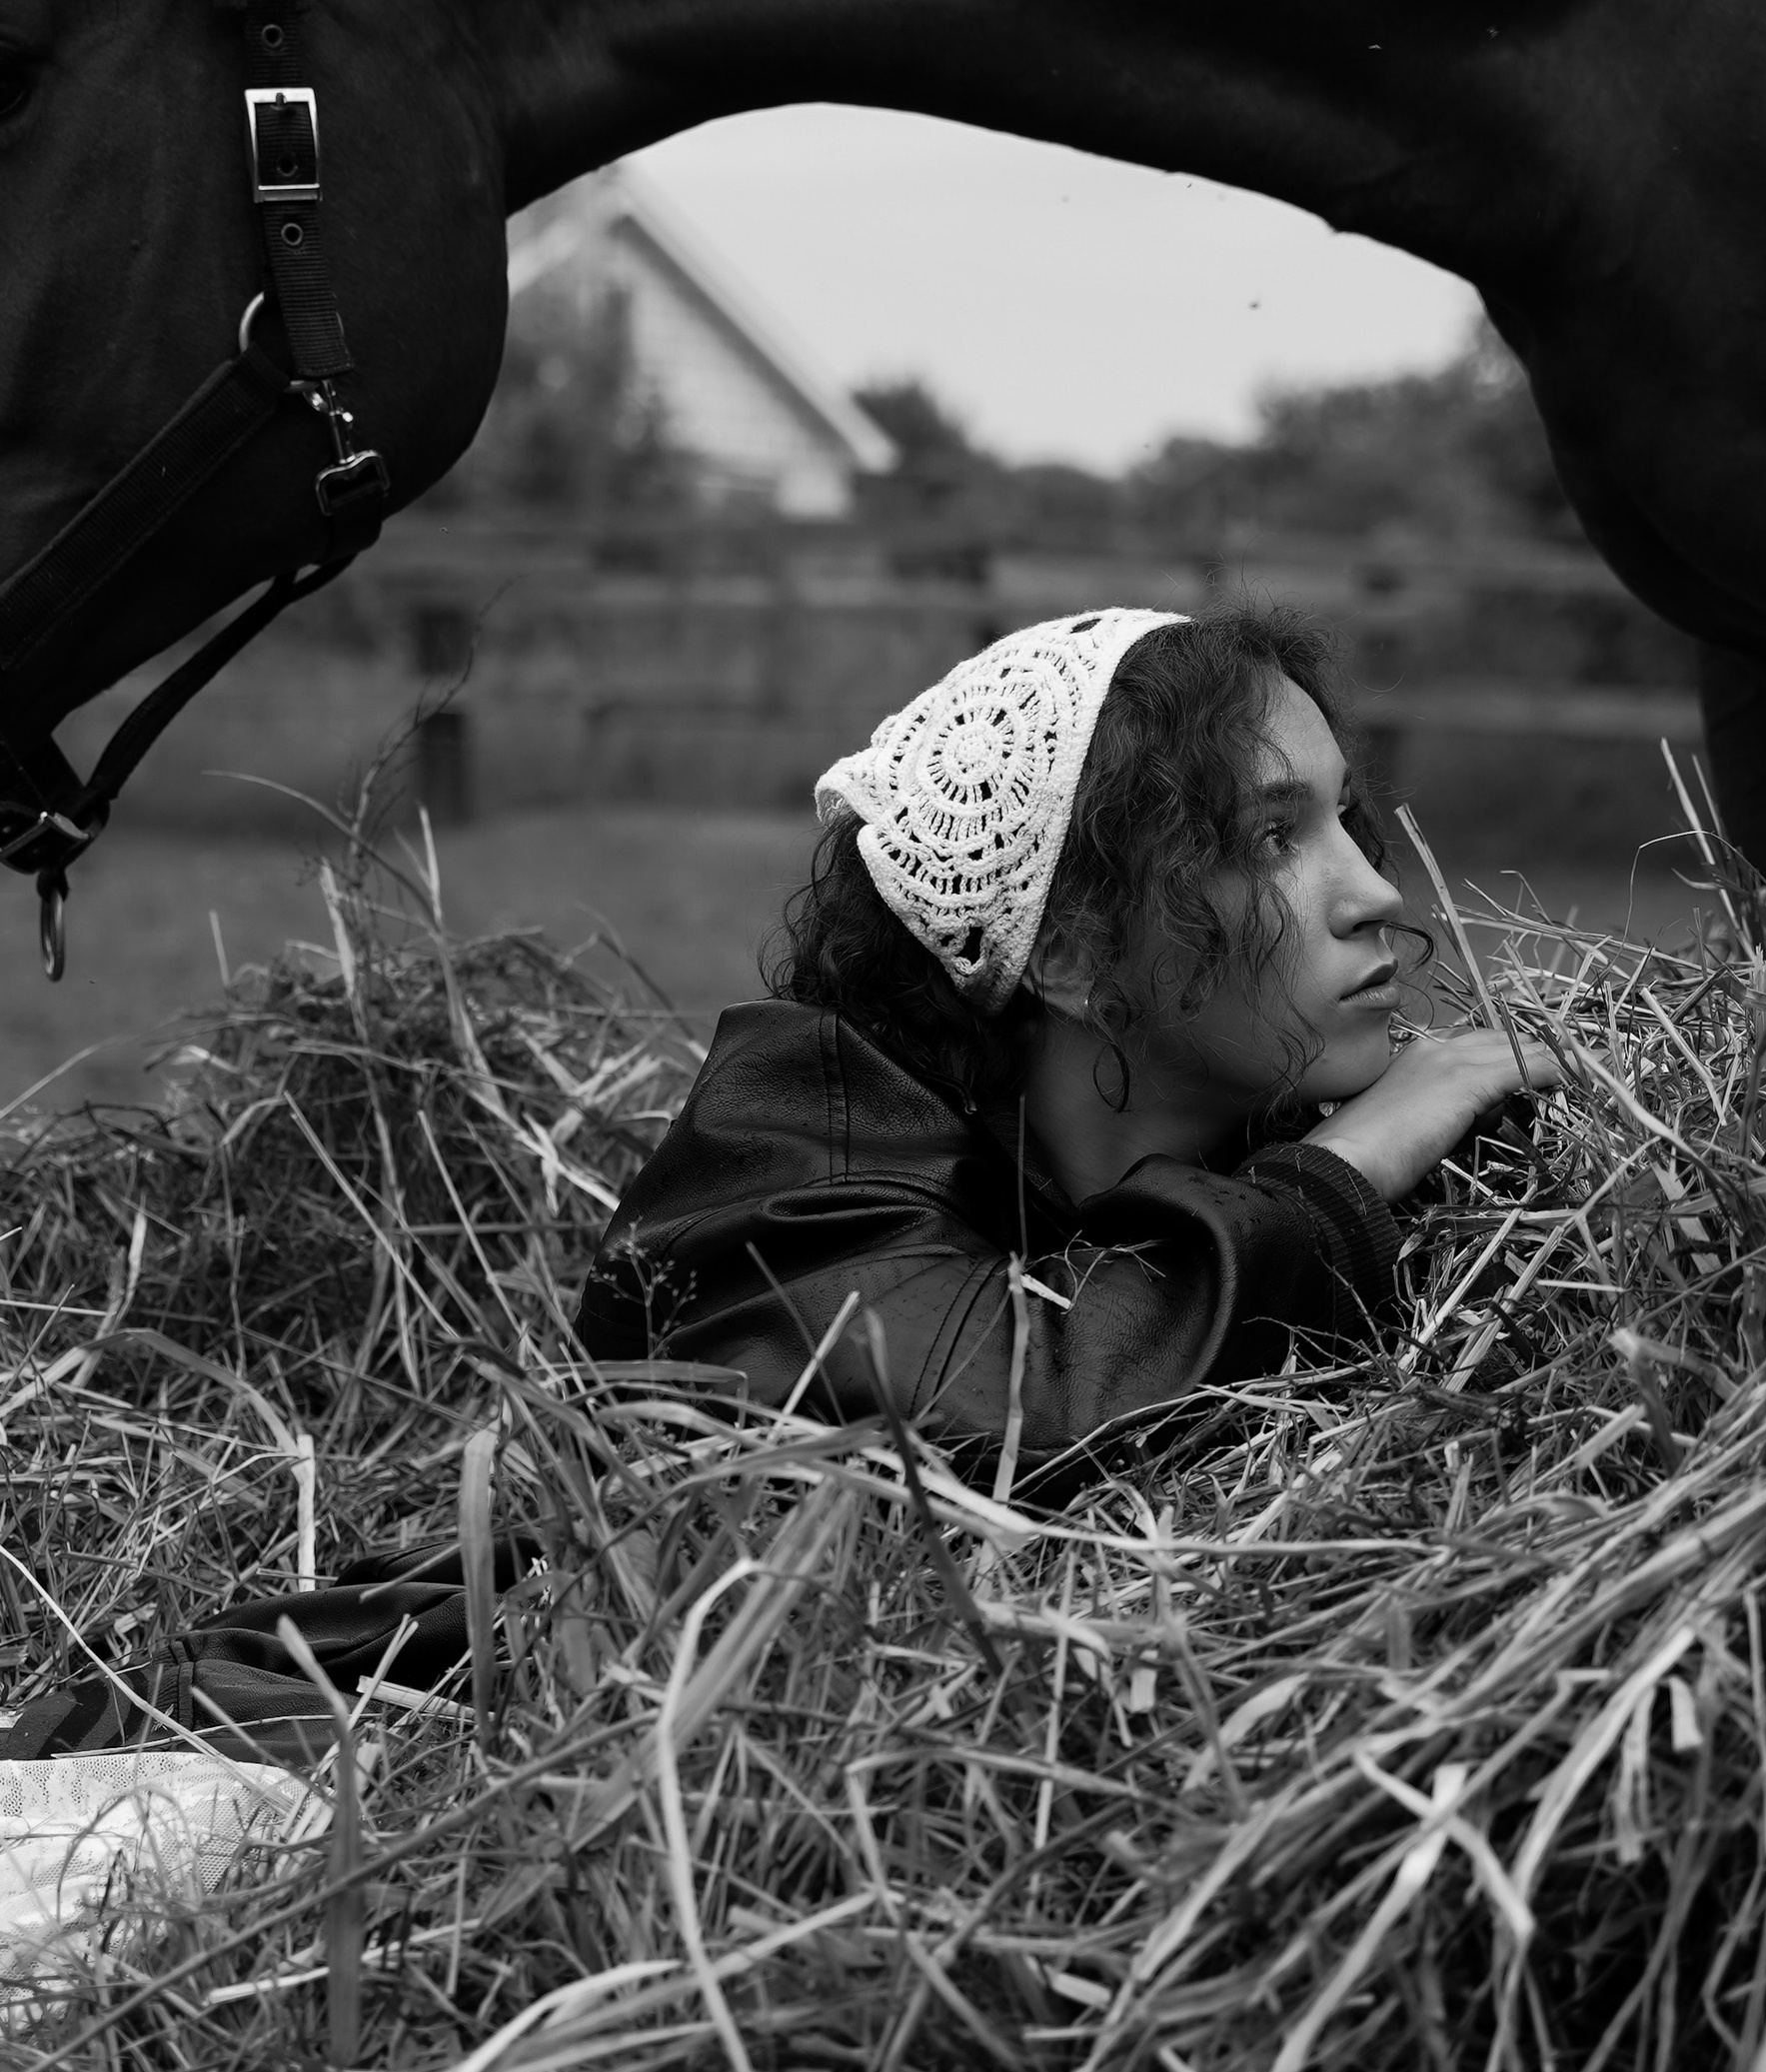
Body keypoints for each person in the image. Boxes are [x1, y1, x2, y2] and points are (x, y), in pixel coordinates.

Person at [578, 605, 1556, 1469]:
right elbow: (1025, 1416)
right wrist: (1339, 1174)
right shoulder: (792, 1162)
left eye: (1341, 818)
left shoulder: (1259, 1123)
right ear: (1071, 951)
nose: (1378, 892)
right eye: (1270, 836)